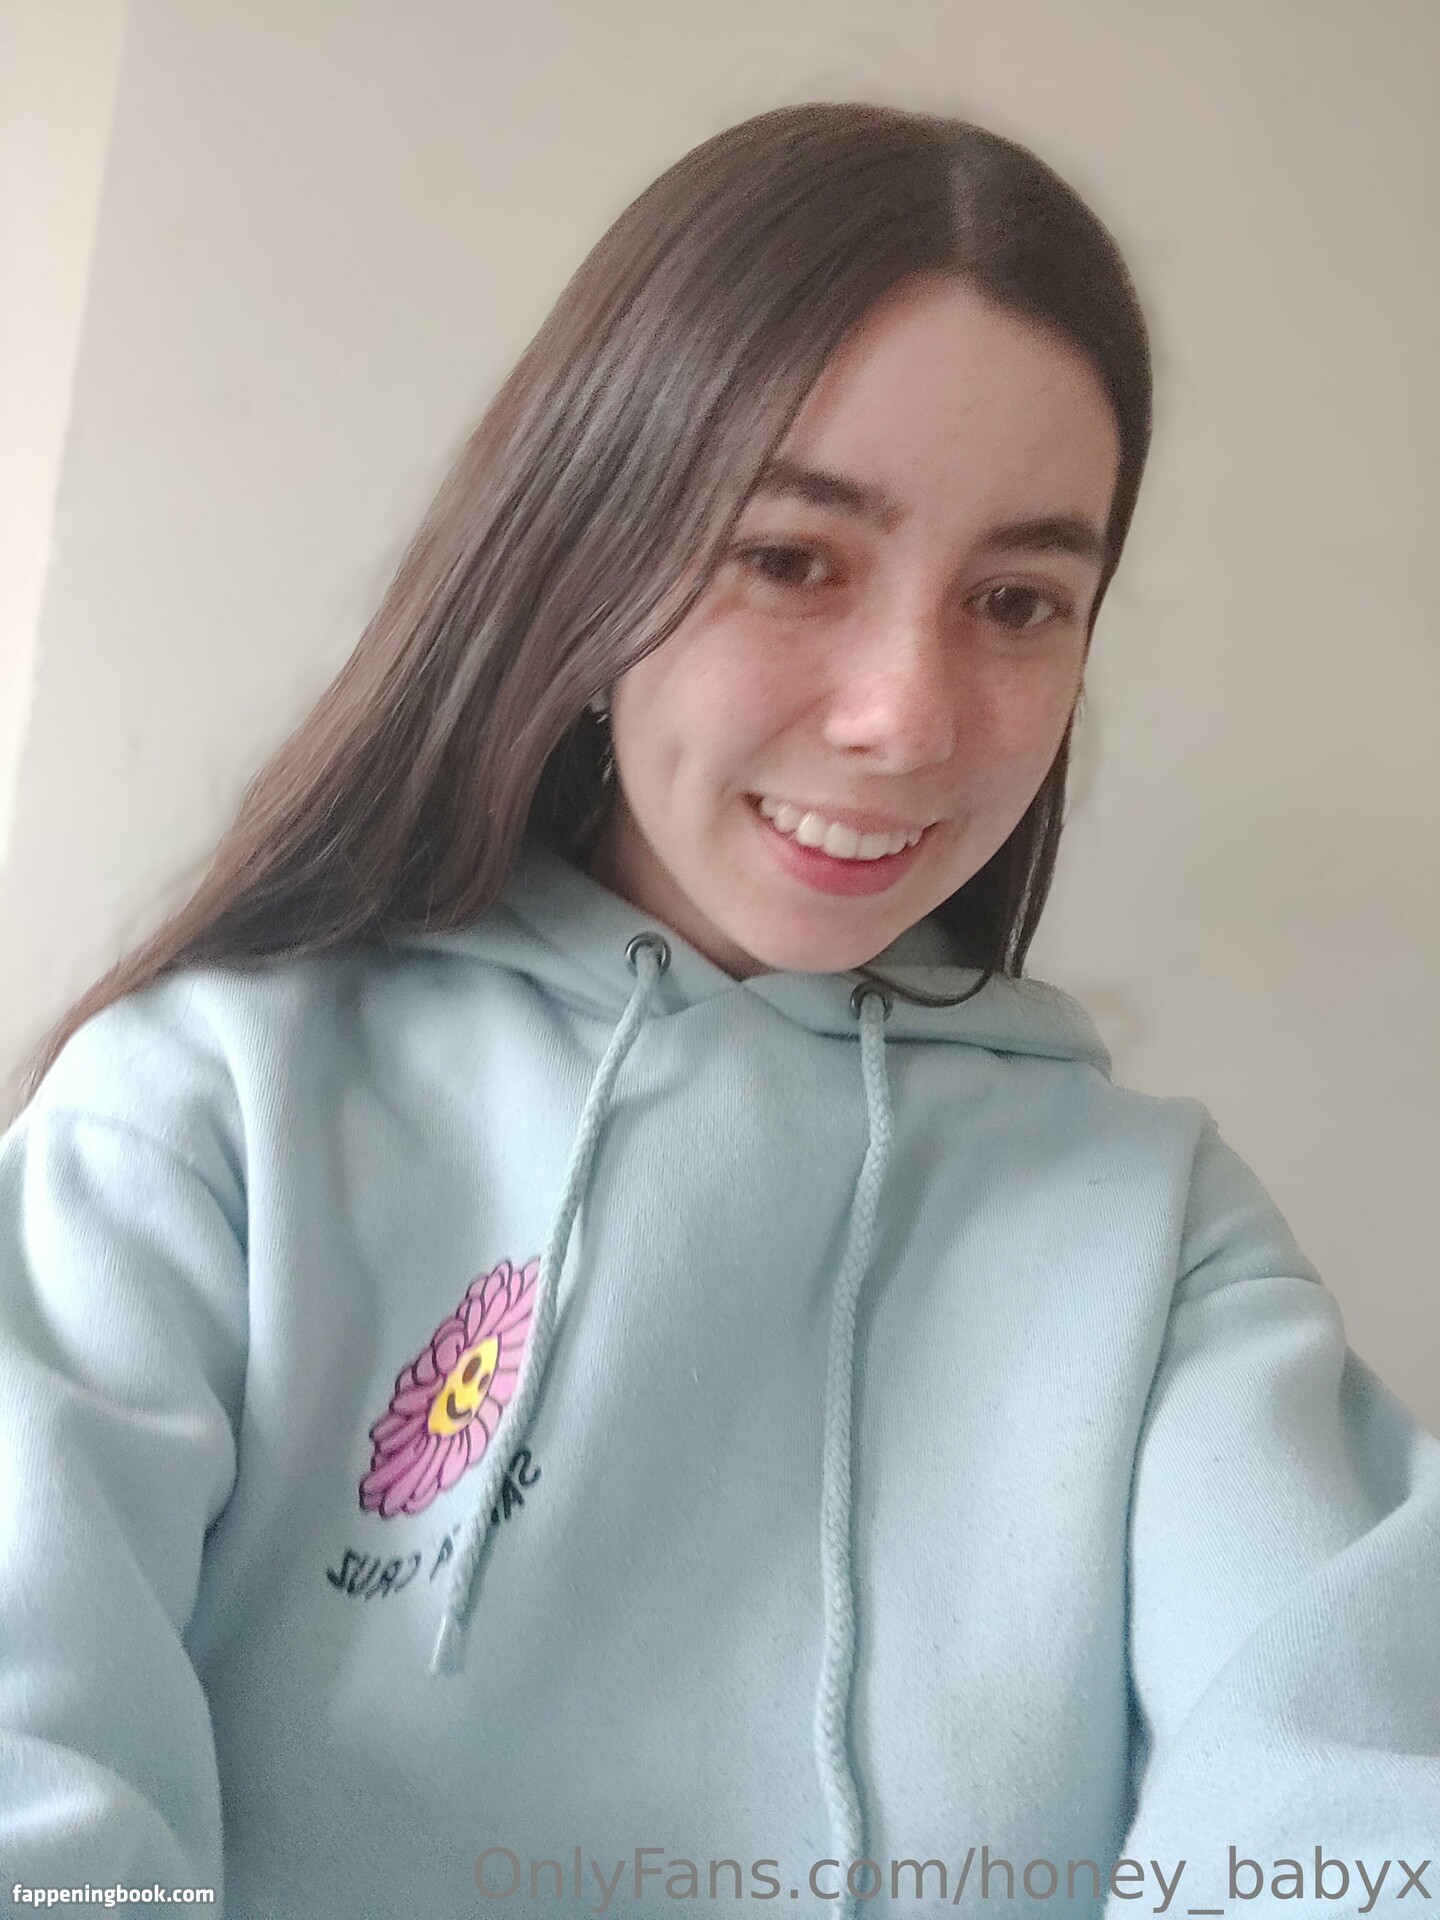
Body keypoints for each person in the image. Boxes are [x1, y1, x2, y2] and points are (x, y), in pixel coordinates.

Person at [0, 101, 1435, 1920]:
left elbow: (1345, 1794)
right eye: (790, 558)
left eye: (1016, 600)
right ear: (587, 547)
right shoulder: (208, 1115)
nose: (908, 715)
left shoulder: (1161, 1240)